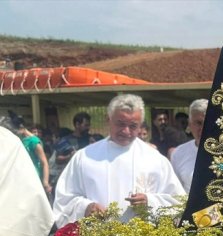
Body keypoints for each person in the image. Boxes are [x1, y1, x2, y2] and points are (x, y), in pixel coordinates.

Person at [53, 94, 185, 227]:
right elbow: (64, 199)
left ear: (140, 126)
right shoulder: (84, 157)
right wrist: (86, 208)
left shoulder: (155, 160)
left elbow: (178, 203)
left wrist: (149, 201)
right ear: (108, 120)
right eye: (120, 124)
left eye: (133, 126)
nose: (126, 131)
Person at [0, 124, 54, 236]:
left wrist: (45, 181)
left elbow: (44, 162)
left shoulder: (17, 141)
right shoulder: (13, 141)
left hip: (23, 179)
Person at [171, 99, 208, 194]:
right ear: (190, 123)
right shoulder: (178, 153)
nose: (203, 129)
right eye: (198, 123)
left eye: (207, 123)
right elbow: (174, 190)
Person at [51, 112, 91, 187]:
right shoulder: (66, 140)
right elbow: (58, 160)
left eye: (89, 125)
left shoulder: (91, 139)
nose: (88, 128)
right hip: (72, 179)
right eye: (85, 125)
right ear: (77, 125)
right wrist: (69, 156)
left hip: (88, 177)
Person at [13, 119, 52, 195]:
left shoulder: (34, 141)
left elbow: (44, 163)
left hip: (34, 178)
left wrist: (45, 182)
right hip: (22, 178)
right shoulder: (20, 140)